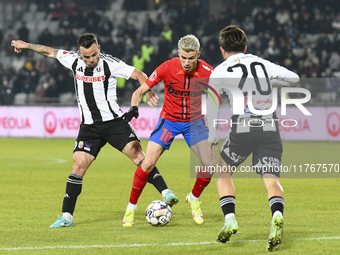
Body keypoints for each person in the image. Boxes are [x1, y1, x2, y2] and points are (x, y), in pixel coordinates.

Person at [11, 33, 178, 228]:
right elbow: (49, 51)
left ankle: (166, 192)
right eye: (86, 57)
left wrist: (147, 89)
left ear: (98, 48)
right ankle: (67, 216)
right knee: (78, 165)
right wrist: (26, 45)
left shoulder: (109, 63)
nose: (91, 60)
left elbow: (139, 74)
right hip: (89, 127)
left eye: (93, 55)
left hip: (114, 122)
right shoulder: (73, 60)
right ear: (79, 54)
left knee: (137, 153)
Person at [206, 26, 300, 251]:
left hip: (243, 127)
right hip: (270, 127)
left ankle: (230, 218)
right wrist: (271, 84)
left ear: (222, 50)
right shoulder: (262, 63)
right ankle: (276, 214)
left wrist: (212, 136)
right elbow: (294, 79)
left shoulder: (219, 71)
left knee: (223, 170)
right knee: (271, 179)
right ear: (245, 47)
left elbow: (213, 104)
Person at [121, 34, 216, 226]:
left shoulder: (209, 72)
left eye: (191, 58)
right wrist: (137, 103)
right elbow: (139, 90)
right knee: (147, 164)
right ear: (178, 54)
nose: (187, 62)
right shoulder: (167, 67)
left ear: (198, 54)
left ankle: (194, 199)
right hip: (169, 121)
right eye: (183, 57)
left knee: (210, 165)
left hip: (194, 123)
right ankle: (131, 208)